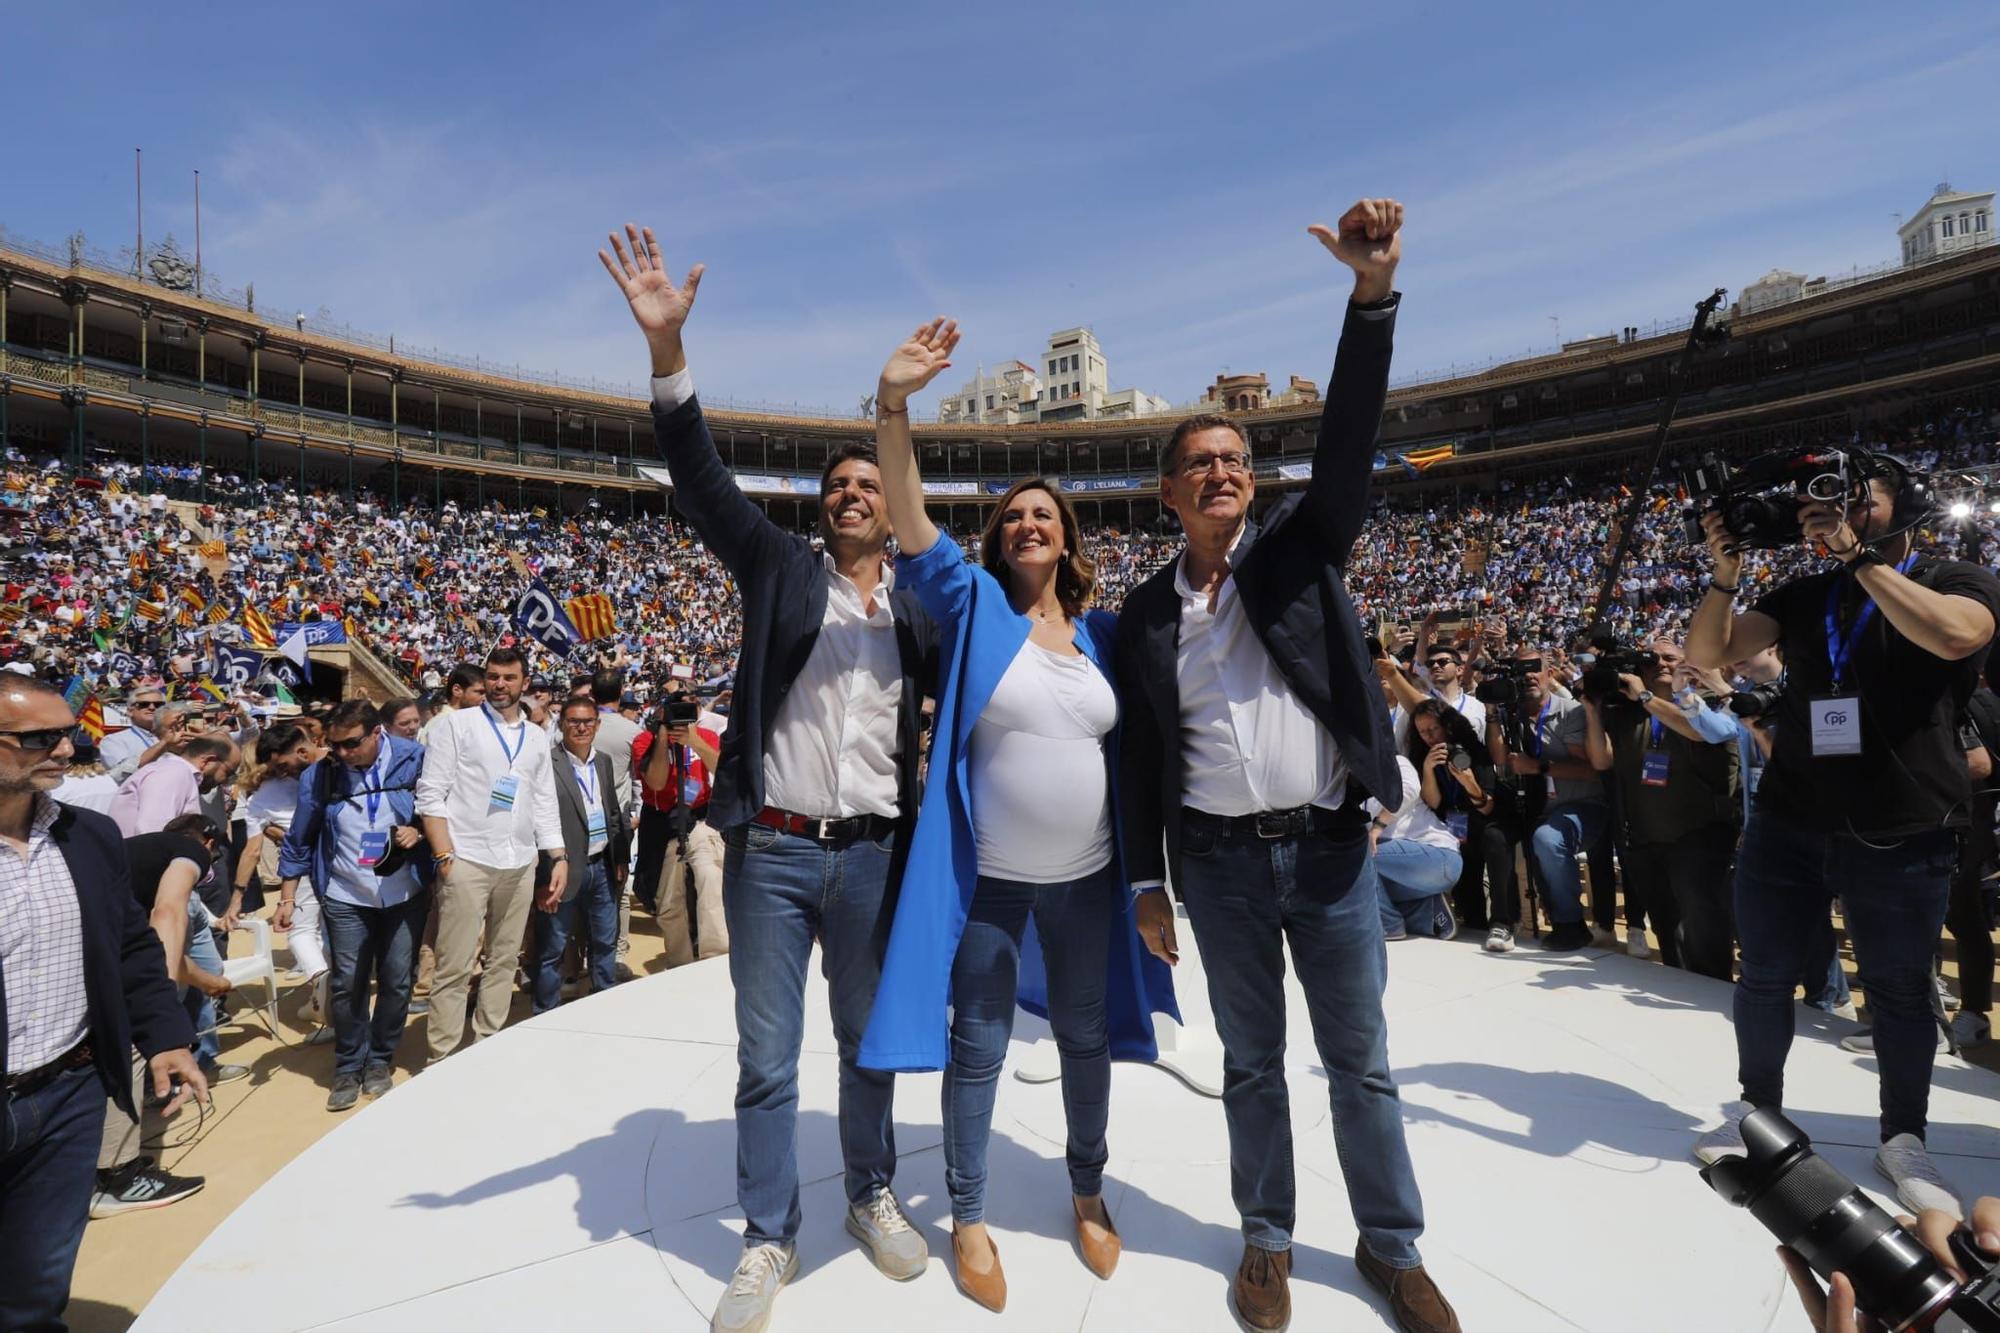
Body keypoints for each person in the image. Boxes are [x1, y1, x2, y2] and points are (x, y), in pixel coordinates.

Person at [1114, 199, 1460, 1333]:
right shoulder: (1142, 616)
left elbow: (1351, 439)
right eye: (1196, 464)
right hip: (1211, 863)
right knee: (1251, 1067)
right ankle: (1265, 1238)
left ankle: (1390, 1246)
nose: (1218, 472)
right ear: (1168, 494)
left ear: (1250, 483)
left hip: (1321, 854)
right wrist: (1143, 880)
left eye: (1232, 460)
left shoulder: (1301, 553)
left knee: (1359, 1065)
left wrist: (1369, 299)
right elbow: (1140, 762)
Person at [602, 220, 941, 1333]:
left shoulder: (920, 604)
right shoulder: (778, 571)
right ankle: (767, 1233)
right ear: (821, 507)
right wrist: (667, 354)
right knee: (762, 1056)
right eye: (835, 485)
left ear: (892, 504)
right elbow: (700, 481)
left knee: (865, 1044)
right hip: (778, 849)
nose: (849, 494)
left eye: (866, 483)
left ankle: (870, 1192)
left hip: (876, 852)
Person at [857, 321, 1178, 1310]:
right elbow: (907, 519)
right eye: (1014, 515)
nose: (1029, 523)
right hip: (990, 878)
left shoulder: (1107, 635)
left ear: (1067, 536)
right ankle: (966, 1211)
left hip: (1085, 880)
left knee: (1084, 1037)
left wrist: (1151, 881)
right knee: (979, 1046)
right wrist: (894, 407)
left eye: (1045, 514)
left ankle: (1086, 1188)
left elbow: (1144, 750)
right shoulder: (972, 607)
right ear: (999, 538)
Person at [1687, 454, 2000, 1221]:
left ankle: (1904, 1138)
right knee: (1762, 973)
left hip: (1901, 822)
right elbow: (1706, 654)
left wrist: (1859, 561)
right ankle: (1758, 1109)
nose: (1835, 510)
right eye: (1822, 501)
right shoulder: (1805, 594)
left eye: (1859, 496)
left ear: (1903, 506)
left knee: (1895, 989)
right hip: (1794, 815)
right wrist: (1725, 571)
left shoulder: (1955, 576)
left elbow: (1957, 637)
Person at [0, 675, 206, 1329]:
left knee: (38, 1281)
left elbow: (130, 947)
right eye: (38, 737)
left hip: (69, 1094)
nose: (63, 749)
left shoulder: (88, 835)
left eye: (68, 733)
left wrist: (167, 1036)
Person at [278, 700, 433, 1110]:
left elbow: (440, 809)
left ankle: (380, 1059)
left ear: (377, 733)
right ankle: (349, 1064)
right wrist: (288, 896)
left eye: (352, 745)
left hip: (405, 892)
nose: (343, 754)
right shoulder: (320, 775)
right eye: (335, 745)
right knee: (348, 983)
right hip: (345, 894)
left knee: (398, 978)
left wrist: (418, 831)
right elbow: (300, 835)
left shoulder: (416, 760)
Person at [415, 647, 566, 1064]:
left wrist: (558, 855)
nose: (500, 685)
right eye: (494, 677)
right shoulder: (457, 726)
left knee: (503, 961)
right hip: (468, 859)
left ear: (524, 682)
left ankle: (487, 1045)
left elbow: (543, 800)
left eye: (509, 677)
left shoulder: (536, 737)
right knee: (455, 965)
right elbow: (431, 794)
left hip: (519, 861)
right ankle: (441, 1056)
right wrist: (445, 856)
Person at [95, 814, 244, 1216]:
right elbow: (168, 916)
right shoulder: (190, 852)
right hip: (108, 960)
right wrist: (156, 1004)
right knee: (131, 1049)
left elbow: (164, 951)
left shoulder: (134, 854)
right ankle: (118, 1177)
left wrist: (207, 982)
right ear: (209, 843)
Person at [1581, 639, 1740, 980]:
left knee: (1702, 922)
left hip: (1700, 833)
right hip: (1644, 834)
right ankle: (1678, 984)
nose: (1660, 664)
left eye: (1670, 657)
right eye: (1651, 659)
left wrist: (1645, 697)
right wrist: (1593, 709)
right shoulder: (1626, 712)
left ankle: (1715, 990)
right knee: (1667, 925)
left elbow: (1700, 731)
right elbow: (1601, 759)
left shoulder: (1707, 705)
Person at [1492, 649, 1608, 951]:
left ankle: (1570, 923)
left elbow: (1592, 771)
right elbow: (1500, 759)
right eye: (1521, 669)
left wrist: (1539, 767)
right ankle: (1507, 921)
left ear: (1550, 673)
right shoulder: (1510, 714)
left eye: (1535, 668)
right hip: (1536, 807)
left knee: (1547, 839)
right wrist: (1493, 712)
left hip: (1582, 805)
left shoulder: (1571, 711)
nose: (1528, 675)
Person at [533, 698, 628, 1010]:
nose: (582, 727)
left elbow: (613, 813)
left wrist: (620, 858)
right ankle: (544, 1010)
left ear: (597, 725)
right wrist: (543, 876)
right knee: (553, 947)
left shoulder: (602, 761)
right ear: (562, 725)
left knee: (604, 940)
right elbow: (538, 821)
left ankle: (604, 999)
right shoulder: (547, 762)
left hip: (601, 865)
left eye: (588, 721)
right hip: (563, 869)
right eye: (574, 721)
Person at [1377, 700, 1498, 941]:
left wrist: (1466, 780)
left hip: (1477, 820)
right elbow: (1432, 802)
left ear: (1447, 726)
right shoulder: (1421, 756)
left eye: (1433, 729)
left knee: (1483, 861)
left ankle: (1498, 922)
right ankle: (1432, 913)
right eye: (1423, 732)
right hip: (1449, 821)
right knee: (1463, 891)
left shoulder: (1473, 750)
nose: (1429, 737)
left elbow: (1488, 806)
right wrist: (1429, 769)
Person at [635, 694, 727, 966]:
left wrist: (694, 741)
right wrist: (663, 739)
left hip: (700, 819)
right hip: (662, 822)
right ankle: (679, 961)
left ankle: (717, 955)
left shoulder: (707, 735)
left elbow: (723, 772)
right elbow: (657, 781)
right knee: (668, 901)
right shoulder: (645, 741)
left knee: (711, 880)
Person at [108, 732, 239, 838]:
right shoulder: (173, 773)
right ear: (209, 760)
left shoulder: (180, 774)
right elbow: (153, 835)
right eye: (228, 772)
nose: (226, 780)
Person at [97, 686, 167, 779]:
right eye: (144, 704)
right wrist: (164, 743)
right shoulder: (113, 740)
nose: (152, 707)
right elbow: (121, 774)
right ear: (130, 711)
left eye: (158, 705)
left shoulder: (180, 737)